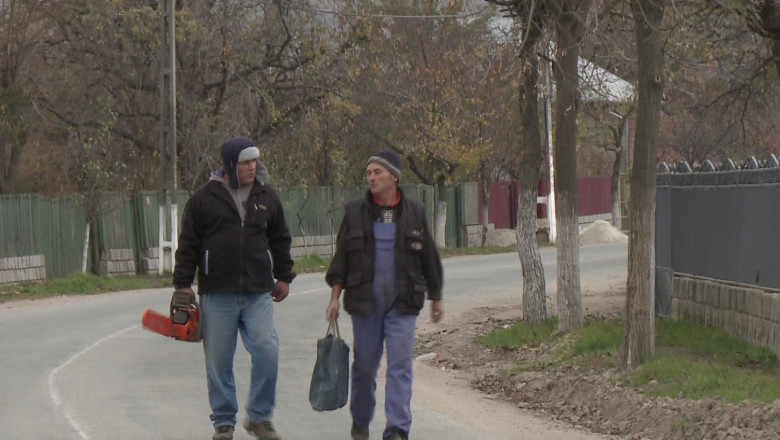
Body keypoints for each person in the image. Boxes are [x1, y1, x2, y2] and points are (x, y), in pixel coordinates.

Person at [173, 137, 296, 440]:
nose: (252, 167)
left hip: (258, 292)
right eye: (245, 162)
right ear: (230, 165)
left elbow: (280, 238)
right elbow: (188, 244)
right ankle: (223, 423)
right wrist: (183, 284)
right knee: (218, 362)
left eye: (254, 160)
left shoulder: (266, 195)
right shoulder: (204, 199)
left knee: (267, 350)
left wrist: (283, 276)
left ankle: (259, 417)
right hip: (217, 293)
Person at [325, 149, 444, 440]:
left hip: (402, 303)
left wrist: (436, 297)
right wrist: (334, 297)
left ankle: (397, 429)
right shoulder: (355, 211)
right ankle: (361, 421)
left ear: (394, 177)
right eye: (369, 173)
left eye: (377, 172)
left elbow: (429, 257)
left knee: (400, 366)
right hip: (365, 304)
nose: (371, 178)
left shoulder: (414, 212)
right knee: (364, 367)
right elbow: (342, 259)